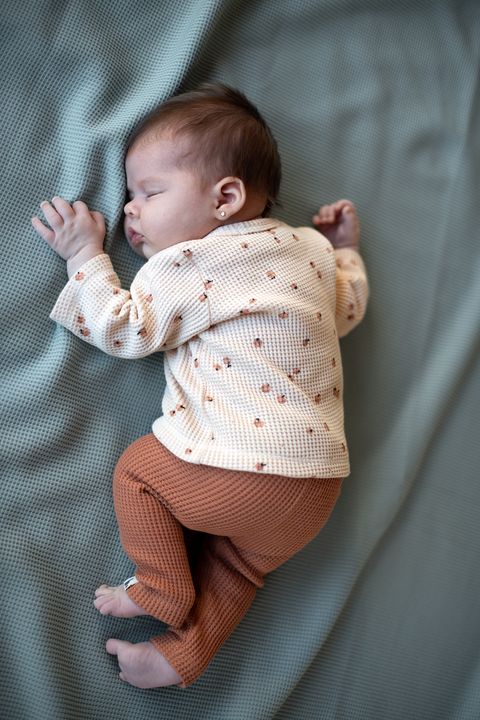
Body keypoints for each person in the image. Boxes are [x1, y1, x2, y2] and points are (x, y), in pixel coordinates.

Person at [32, 83, 369, 689]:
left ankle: (161, 585)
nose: (130, 210)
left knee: (138, 472)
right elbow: (347, 308)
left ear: (226, 199)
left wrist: (84, 253)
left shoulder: (192, 261)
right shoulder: (309, 250)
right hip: (316, 489)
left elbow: (126, 327)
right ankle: (177, 658)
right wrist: (345, 252)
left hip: (244, 468)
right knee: (238, 569)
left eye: (150, 192)